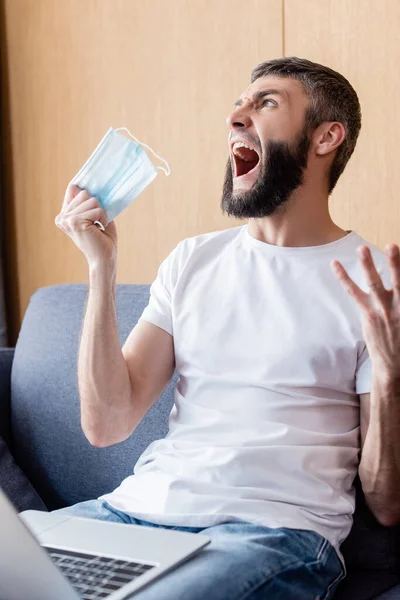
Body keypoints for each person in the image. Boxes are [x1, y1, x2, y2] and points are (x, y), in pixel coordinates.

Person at [54, 56, 400, 600]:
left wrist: (390, 375)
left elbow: (386, 502)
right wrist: (101, 268)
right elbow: (107, 423)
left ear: (326, 137)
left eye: (265, 103)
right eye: (239, 104)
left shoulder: (376, 284)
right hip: (129, 514)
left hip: (268, 535)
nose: (236, 117)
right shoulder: (193, 260)